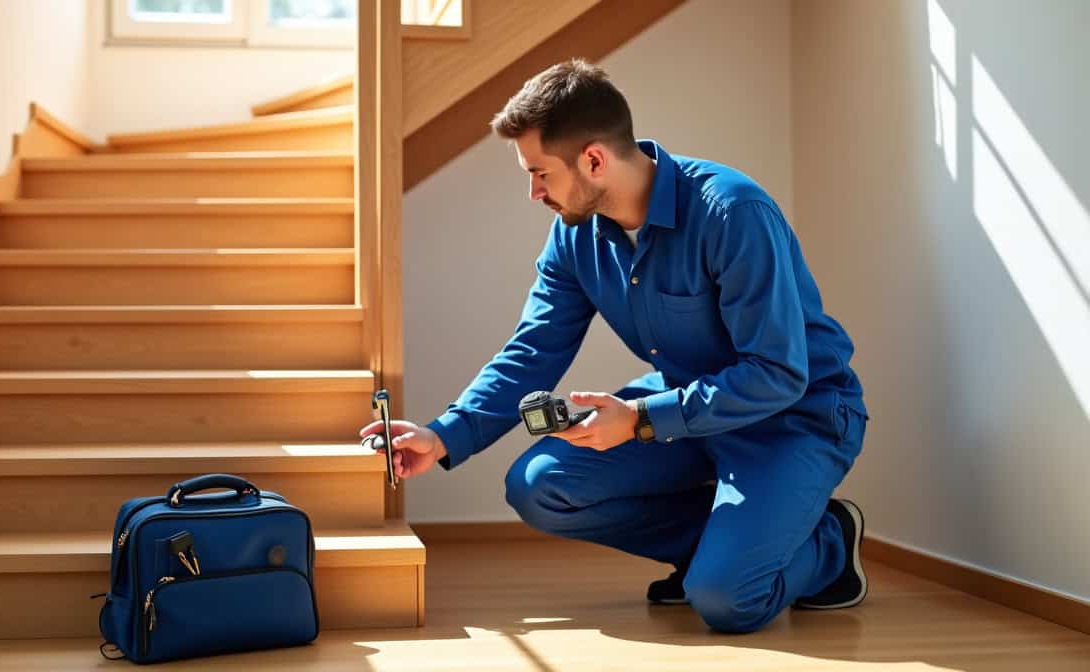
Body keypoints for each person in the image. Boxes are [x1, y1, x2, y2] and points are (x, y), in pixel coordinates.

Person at [361, 58, 870, 634]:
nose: (533, 193)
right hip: (684, 413)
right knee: (540, 486)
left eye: (540, 174)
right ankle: (720, 549)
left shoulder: (731, 213)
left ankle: (830, 540)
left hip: (793, 418)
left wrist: (641, 419)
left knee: (728, 600)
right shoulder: (575, 235)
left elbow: (778, 372)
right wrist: (443, 434)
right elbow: (534, 348)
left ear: (594, 160)